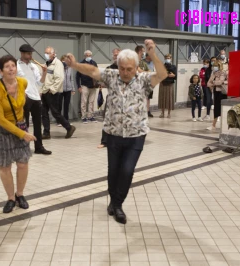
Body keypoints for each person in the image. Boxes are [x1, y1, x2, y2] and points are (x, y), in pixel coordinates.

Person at [65, 39, 167, 224]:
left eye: (129, 69)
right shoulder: (112, 76)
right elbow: (92, 71)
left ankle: (117, 204)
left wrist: (152, 54)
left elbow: (162, 74)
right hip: (113, 133)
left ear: (136, 67)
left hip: (136, 135)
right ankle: (114, 202)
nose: (125, 72)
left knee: (127, 171)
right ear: (118, 66)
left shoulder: (144, 79)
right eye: (122, 68)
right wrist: (74, 65)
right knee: (113, 171)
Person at [0, 55, 36, 213]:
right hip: (2, 130)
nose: (11, 68)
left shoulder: (22, 83)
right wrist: (22, 133)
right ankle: (11, 198)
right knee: (5, 165)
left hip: (20, 126)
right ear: (0, 71)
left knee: (23, 163)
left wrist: (23, 129)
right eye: (7, 66)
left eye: (13, 65)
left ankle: (20, 195)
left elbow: (23, 106)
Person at [16, 44, 51, 155]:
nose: (30, 55)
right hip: (24, 97)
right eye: (28, 53)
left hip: (36, 97)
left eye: (31, 53)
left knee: (37, 124)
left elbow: (40, 82)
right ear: (22, 53)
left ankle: (39, 147)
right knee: (24, 125)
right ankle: (23, 148)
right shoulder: (16, 66)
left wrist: (44, 72)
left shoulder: (34, 66)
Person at [41, 46, 76, 139]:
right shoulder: (46, 64)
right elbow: (45, 79)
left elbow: (59, 78)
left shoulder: (58, 64)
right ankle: (46, 132)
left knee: (55, 113)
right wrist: (42, 90)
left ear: (53, 54)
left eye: (48, 53)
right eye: (45, 52)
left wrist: (52, 90)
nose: (46, 54)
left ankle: (69, 127)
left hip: (52, 92)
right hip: (44, 91)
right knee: (44, 113)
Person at [98, 48, 120, 149]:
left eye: (117, 55)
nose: (116, 57)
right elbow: (103, 81)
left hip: (124, 99)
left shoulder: (127, 67)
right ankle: (104, 141)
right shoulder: (109, 68)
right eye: (114, 55)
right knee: (107, 119)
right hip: (111, 98)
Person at [76, 50, 99, 123]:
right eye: (87, 55)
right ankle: (83, 117)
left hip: (93, 85)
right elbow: (77, 76)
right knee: (84, 102)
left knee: (91, 102)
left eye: (89, 55)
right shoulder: (81, 64)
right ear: (84, 56)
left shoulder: (94, 63)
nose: (88, 57)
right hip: (84, 85)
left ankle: (90, 116)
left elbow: (97, 73)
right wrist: (79, 86)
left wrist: (98, 83)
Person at [207, 61, 227, 131]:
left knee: (221, 109)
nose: (214, 67)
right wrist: (214, 83)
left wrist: (214, 82)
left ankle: (223, 125)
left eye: (216, 66)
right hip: (215, 92)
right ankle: (213, 125)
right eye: (214, 66)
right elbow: (208, 83)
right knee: (216, 109)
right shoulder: (213, 73)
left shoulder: (223, 73)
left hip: (222, 93)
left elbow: (221, 82)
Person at [58, 54, 76, 124]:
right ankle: (59, 121)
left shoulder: (70, 68)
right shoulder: (59, 67)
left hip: (68, 89)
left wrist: (73, 88)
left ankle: (66, 120)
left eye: (67, 60)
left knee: (66, 105)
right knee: (59, 105)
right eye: (64, 60)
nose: (65, 62)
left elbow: (71, 79)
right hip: (60, 89)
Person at [158, 54, 177, 118]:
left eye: (168, 58)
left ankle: (169, 113)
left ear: (171, 59)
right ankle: (162, 113)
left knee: (169, 98)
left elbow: (175, 76)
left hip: (170, 84)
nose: (167, 59)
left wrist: (173, 75)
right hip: (163, 83)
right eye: (166, 58)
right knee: (162, 98)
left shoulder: (173, 67)